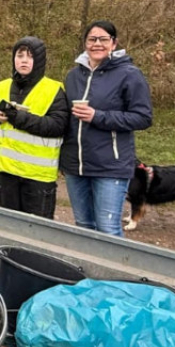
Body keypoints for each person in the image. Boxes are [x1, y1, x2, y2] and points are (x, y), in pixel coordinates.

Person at [59, 20, 152, 237]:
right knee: (83, 226)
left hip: (111, 166)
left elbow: (143, 117)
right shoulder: (73, 76)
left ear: (114, 43)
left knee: (108, 230)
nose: (97, 44)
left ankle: (115, 273)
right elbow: (66, 119)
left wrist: (98, 116)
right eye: (92, 39)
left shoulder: (129, 74)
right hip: (76, 166)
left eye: (103, 39)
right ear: (85, 43)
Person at [0, 36, 69, 219]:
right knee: (10, 227)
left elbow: (58, 126)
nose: (23, 60)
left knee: (37, 234)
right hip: (7, 172)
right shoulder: (1, 86)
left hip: (37, 177)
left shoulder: (54, 89)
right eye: (19, 55)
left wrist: (19, 118)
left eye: (29, 56)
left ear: (39, 61)